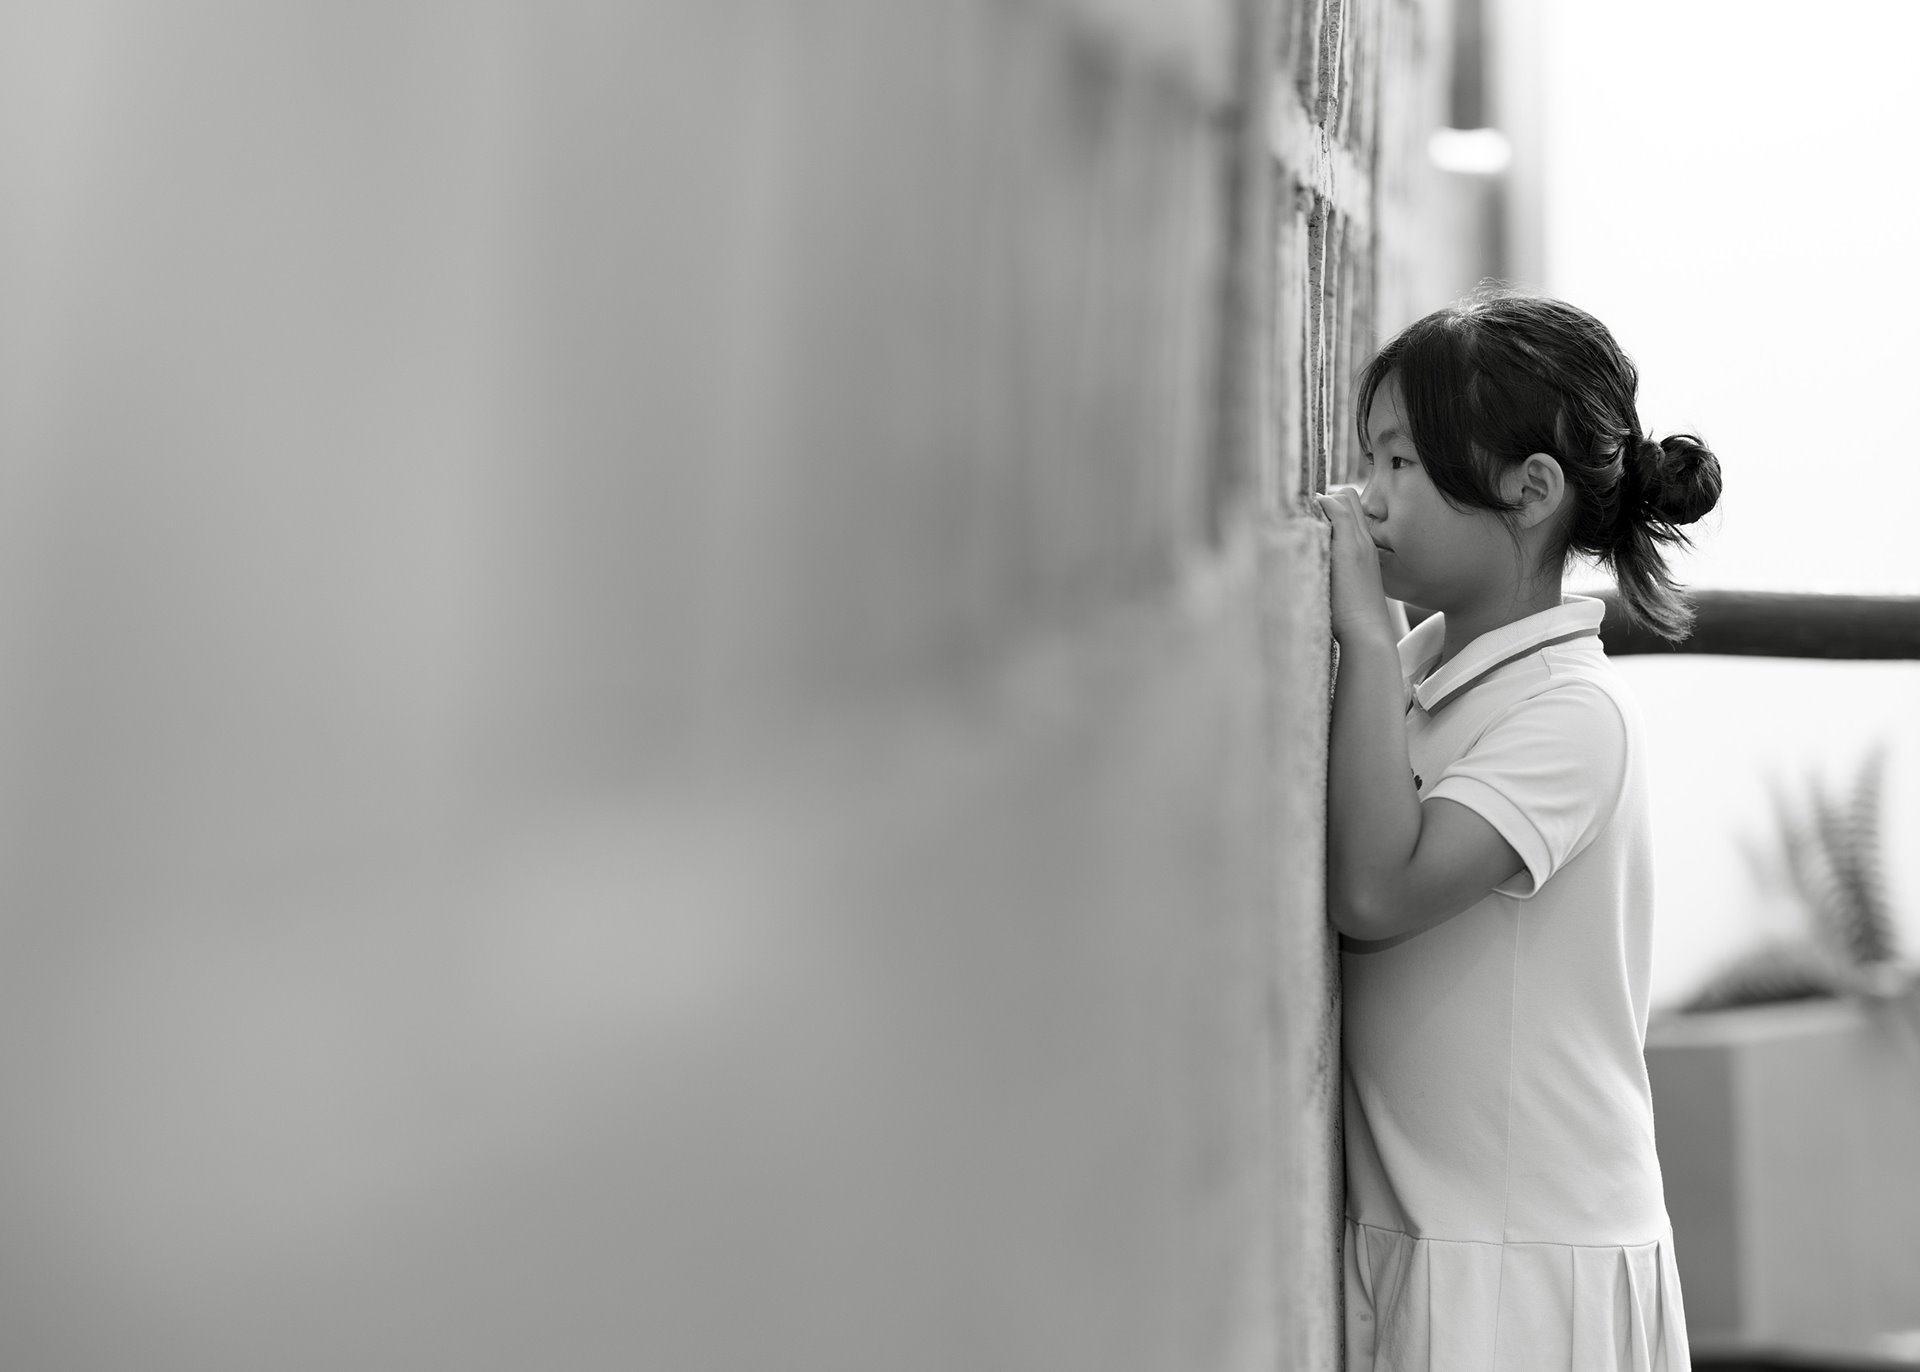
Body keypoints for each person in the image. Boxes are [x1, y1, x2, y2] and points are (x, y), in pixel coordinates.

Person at [1315, 290, 1721, 1372]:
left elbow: (1376, 891)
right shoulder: (1430, 667)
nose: (1370, 492)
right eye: (1373, 455)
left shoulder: (1571, 716)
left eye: (1402, 461)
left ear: (1528, 490)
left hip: (1531, 1268)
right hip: (1449, 1239)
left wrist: (1360, 625)